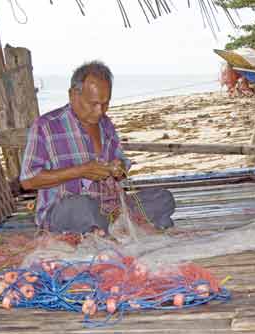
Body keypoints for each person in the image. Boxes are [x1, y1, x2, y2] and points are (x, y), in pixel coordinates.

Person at [20, 60, 175, 235]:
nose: (100, 111)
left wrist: (120, 167)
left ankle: (108, 227)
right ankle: (113, 227)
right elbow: (28, 180)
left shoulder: (106, 124)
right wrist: (80, 171)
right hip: (67, 210)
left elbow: (121, 159)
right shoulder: (46, 126)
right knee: (83, 207)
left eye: (105, 103)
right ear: (73, 95)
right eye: (93, 103)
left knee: (163, 198)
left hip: (111, 208)